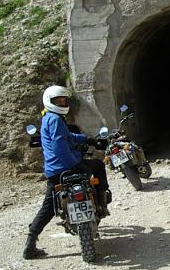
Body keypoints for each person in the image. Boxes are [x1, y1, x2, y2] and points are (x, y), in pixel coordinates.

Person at [23, 85, 110, 260]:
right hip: (66, 166)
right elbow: (60, 147)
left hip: (54, 171)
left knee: (48, 207)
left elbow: (67, 137)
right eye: (58, 101)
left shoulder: (49, 117)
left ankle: (30, 243)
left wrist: (87, 139)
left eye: (64, 100)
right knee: (98, 166)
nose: (62, 103)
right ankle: (101, 204)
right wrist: (75, 163)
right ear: (50, 101)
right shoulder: (56, 119)